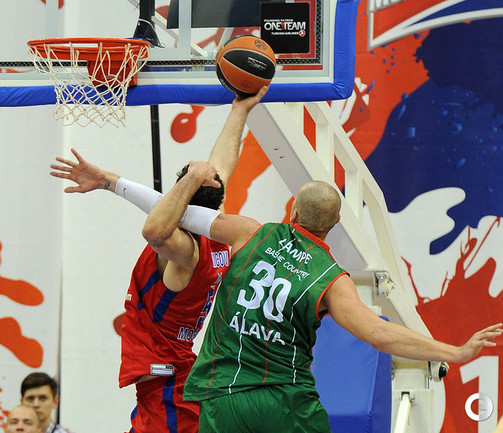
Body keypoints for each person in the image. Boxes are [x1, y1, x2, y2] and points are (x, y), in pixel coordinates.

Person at [142, 161, 503, 433]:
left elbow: (172, 217)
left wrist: (136, 181)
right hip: (286, 400)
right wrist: (455, 352)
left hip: (223, 394)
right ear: (334, 223)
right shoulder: (332, 279)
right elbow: (379, 334)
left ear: (294, 211)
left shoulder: (250, 232)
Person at [49, 87, 267, 433]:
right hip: (171, 376)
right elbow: (222, 165)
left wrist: (190, 177)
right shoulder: (214, 231)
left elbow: (154, 230)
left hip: (166, 383)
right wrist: (239, 110)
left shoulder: (186, 250)